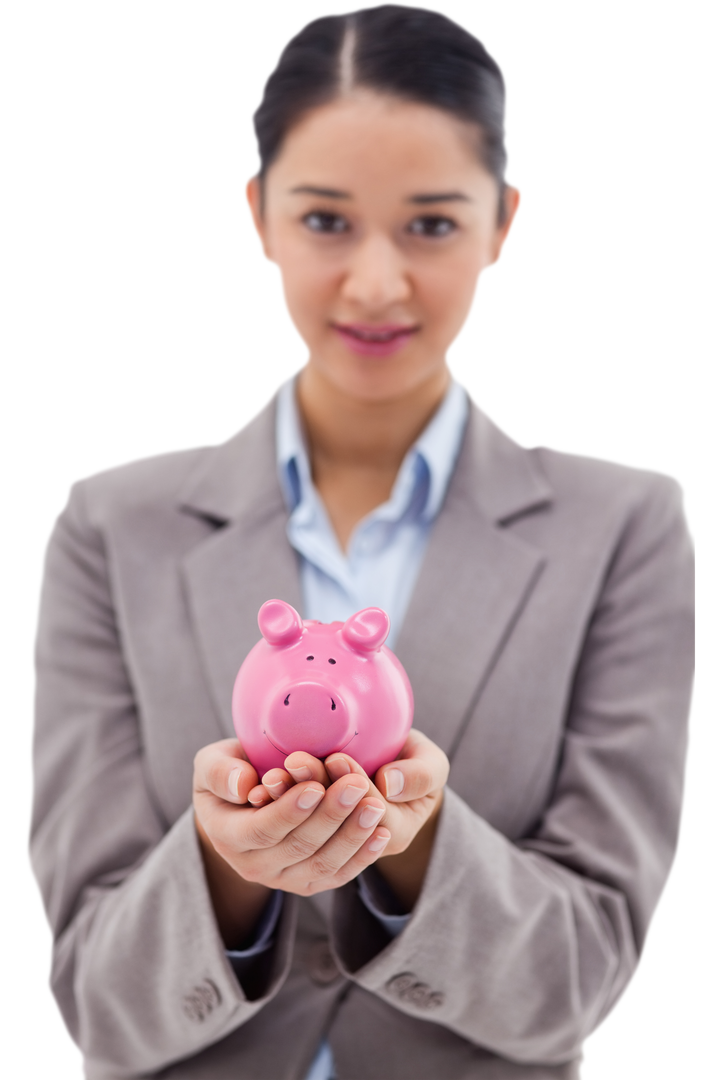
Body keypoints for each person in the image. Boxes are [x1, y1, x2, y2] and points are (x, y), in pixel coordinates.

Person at [27, 4, 697, 1078]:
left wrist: (416, 844)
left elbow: (582, 978)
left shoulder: (622, 525)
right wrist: (223, 866)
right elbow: (97, 999)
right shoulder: (113, 526)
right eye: (327, 221)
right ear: (259, 216)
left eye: (431, 224)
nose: (377, 285)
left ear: (503, 224)